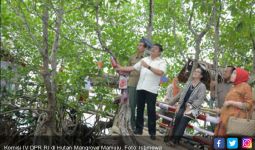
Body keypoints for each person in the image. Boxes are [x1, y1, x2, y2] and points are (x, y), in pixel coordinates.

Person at [117, 44, 166, 140]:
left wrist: (148, 67)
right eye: (152, 48)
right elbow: (132, 68)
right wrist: (120, 67)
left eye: (155, 49)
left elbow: (160, 73)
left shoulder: (162, 62)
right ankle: (138, 129)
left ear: (159, 52)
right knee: (139, 108)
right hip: (140, 87)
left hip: (151, 89)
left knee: (151, 110)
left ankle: (152, 132)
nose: (152, 49)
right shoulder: (145, 59)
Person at [168, 67, 207, 147]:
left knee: (184, 119)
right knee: (178, 117)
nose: (195, 72)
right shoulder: (189, 83)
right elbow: (182, 95)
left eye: (198, 72)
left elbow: (200, 100)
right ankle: (173, 138)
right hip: (183, 106)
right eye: (195, 71)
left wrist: (191, 106)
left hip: (194, 108)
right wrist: (179, 104)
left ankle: (174, 140)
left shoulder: (202, 86)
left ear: (201, 76)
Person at [214, 68, 253, 136]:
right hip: (225, 120)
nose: (232, 75)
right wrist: (220, 110)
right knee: (220, 144)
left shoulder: (245, 86)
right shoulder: (234, 87)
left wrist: (231, 102)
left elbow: (248, 105)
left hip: (235, 122)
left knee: (232, 145)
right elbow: (229, 107)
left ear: (241, 75)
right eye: (232, 73)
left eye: (235, 73)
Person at [127, 41, 146, 131]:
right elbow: (127, 70)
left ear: (145, 48)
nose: (139, 46)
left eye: (141, 45)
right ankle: (132, 125)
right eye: (138, 45)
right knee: (132, 105)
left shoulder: (147, 59)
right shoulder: (132, 57)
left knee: (141, 106)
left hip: (143, 85)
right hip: (132, 83)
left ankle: (139, 126)